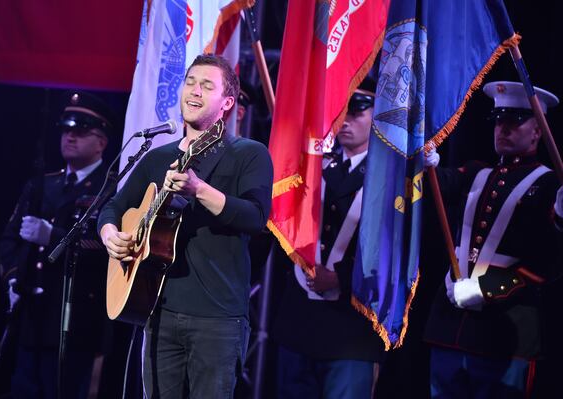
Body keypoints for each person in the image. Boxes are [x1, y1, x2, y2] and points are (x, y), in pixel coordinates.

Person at [98, 54, 273, 399]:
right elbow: (114, 207)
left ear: (226, 103)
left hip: (217, 319)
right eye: (190, 82)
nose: (194, 91)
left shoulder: (248, 154)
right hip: (158, 310)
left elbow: (255, 217)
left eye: (207, 86)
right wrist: (109, 234)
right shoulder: (157, 157)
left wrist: (200, 189)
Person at [423, 81, 563, 398]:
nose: (503, 129)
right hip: (451, 328)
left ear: (538, 131)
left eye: (515, 121)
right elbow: (441, 184)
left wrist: (486, 289)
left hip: (505, 331)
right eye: (499, 120)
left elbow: (549, 262)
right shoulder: (476, 172)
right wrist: (425, 163)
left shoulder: (551, 185)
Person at [0, 90, 116, 398]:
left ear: (101, 141)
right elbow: (10, 238)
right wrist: (12, 279)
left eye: (80, 132)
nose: (70, 138)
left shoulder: (110, 189)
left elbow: (106, 248)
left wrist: (54, 235)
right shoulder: (42, 184)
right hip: (30, 314)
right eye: (66, 130)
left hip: (74, 319)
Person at [272, 81, 385, 399]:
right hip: (300, 323)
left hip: (351, 328)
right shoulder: (311, 166)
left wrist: (342, 278)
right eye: (341, 111)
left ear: (378, 115)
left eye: (357, 111)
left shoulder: (389, 178)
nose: (345, 120)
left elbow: (393, 252)